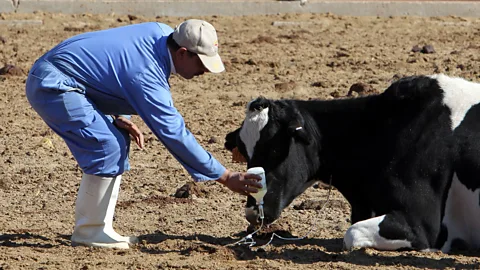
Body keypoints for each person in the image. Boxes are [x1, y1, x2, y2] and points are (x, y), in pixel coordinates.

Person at [25, 19, 262, 249]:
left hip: (64, 76)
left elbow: (112, 67)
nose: (205, 71)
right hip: (53, 86)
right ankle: (90, 232)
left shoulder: (161, 32)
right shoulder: (147, 76)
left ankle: (99, 228)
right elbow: (174, 133)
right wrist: (225, 176)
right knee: (107, 145)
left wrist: (119, 116)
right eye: (201, 63)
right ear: (181, 53)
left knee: (116, 138)